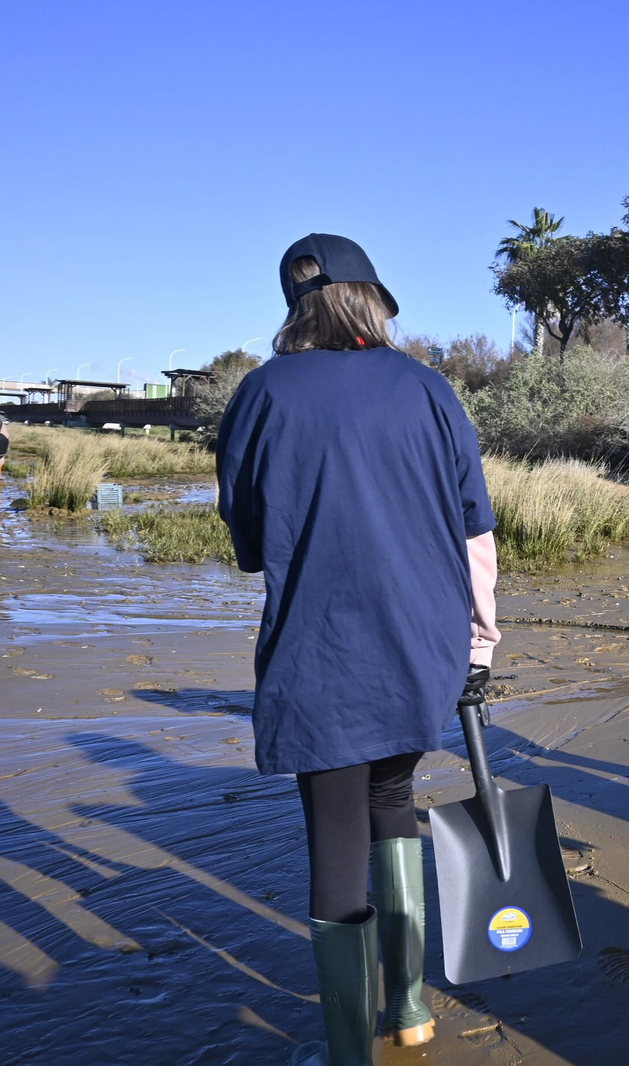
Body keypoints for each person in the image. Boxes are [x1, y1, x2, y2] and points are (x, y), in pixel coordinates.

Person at [217, 233, 499, 1066]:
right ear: (372, 296)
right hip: (424, 644)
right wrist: (480, 642)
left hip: (321, 652)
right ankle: (408, 1007)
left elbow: (248, 537)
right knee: (395, 800)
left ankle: (349, 1052)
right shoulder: (428, 387)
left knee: (334, 836)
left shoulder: (261, 393)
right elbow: (475, 526)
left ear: (294, 306)